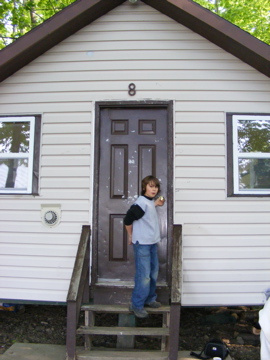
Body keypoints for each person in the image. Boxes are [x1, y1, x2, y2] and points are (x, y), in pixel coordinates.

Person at [124, 175, 165, 318]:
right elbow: (127, 220)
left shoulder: (148, 202)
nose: (154, 189)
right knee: (144, 276)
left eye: (156, 187)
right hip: (142, 244)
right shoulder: (141, 203)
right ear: (144, 187)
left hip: (152, 242)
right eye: (151, 186)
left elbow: (146, 210)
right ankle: (136, 305)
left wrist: (156, 204)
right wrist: (130, 235)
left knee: (153, 273)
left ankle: (150, 299)